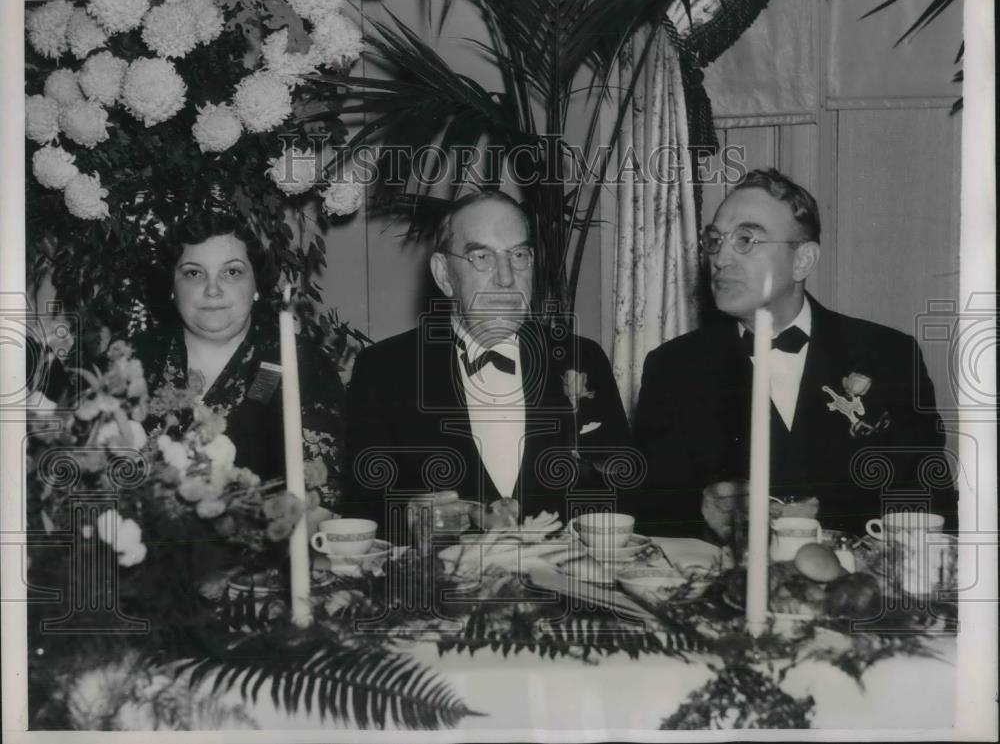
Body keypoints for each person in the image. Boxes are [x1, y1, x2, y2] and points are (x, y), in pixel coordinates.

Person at [632, 169, 957, 540]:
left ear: (803, 260)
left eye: (747, 239)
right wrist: (700, 510)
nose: (720, 258)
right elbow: (645, 511)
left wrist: (826, 513)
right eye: (715, 240)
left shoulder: (889, 356)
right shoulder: (673, 367)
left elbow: (932, 502)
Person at [343, 191, 632, 533]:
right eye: (482, 257)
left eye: (519, 254)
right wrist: (406, 516)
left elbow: (624, 494)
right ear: (444, 274)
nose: (507, 278)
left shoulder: (583, 358)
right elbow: (359, 511)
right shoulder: (384, 370)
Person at [132, 209, 346, 507]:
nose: (213, 290)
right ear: (172, 287)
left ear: (256, 286)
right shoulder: (132, 361)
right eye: (194, 273)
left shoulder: (297, 361)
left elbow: (322, 497)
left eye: (231, 272)